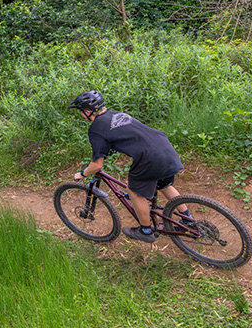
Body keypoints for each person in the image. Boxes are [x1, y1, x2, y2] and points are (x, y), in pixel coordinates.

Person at [69, 90, 191, 243]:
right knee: (164, 184)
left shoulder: (96, 128)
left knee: (134, 192)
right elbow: (126, 134)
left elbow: (97, 165)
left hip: (150, 157)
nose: (80, 115)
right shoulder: (115, 114)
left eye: (80, 112)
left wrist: (82, 174)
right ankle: (188, 219)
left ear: (87, 112)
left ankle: (145, 231)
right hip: (164, 147)